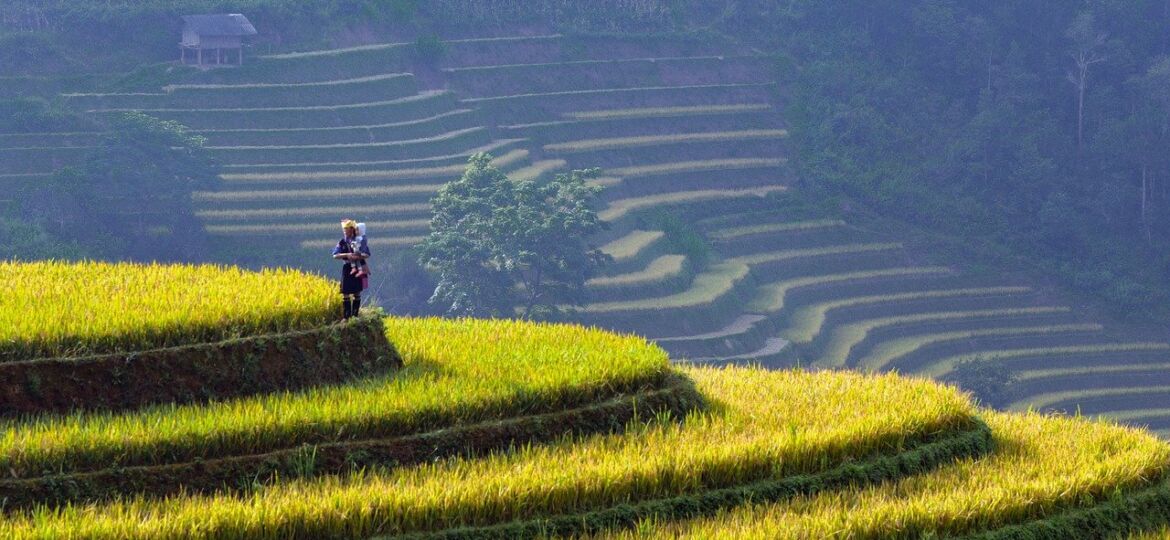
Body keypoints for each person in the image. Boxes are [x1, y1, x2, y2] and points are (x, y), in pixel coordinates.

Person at [332, 219, 370, 319]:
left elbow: (367, 254)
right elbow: (335, 255)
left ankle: (355, 316)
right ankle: (347, 317)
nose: (345, 231)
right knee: (345, 292)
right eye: (344, 229)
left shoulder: (359, 240)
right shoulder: (342, 242)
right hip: (347, 267)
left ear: (352, 229)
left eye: (347, 229)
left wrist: (358, 256)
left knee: (357, 292)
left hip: (358, 266)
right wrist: (347, 255)